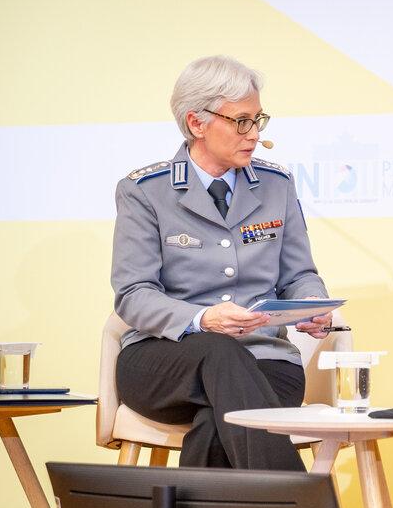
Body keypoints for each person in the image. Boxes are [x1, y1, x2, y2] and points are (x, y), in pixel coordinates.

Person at [111, 55, 332, 471]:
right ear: (197, 123)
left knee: (217, 422)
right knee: (217, 351)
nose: (255, 134)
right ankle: (298, 506)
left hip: (266, 362)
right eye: (241, 121)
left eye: (258, 119)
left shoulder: (276, 185)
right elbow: (133, 295)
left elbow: (299, 274)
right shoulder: (144, 191)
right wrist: (202, 319)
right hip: (164, 363)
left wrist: (312, 303)